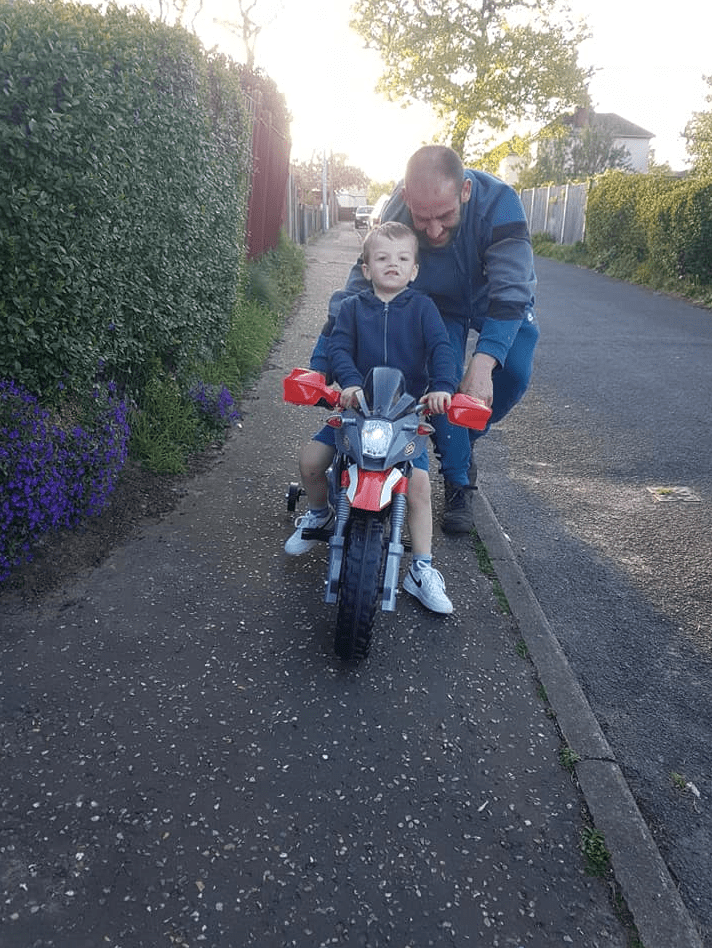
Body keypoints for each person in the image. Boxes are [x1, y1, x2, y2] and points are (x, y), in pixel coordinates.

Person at [311, 145, 539, 534]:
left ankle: (464, 439)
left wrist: (484, 363)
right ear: (405, 200)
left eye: (446, 217)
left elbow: (512, 292)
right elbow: (359, 285)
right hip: (439, 304)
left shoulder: (502, 204)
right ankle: (458, 481)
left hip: (497, 302)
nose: (433, 231)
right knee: (443, 380)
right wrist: (322, 357)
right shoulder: (400, 208)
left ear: (465, 191)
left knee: (512, 373)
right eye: (423, 219)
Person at [285, 221, 458, 615]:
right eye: (382, 258)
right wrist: (346, 384)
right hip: (354, 412)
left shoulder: (423, 309)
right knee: (311, 461)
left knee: (418, 487)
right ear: (366, 268)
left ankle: (421, 568)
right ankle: (318, 514)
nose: (392, 264)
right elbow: (339, 348)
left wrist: (443, 386)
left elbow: (441, 349)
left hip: (404, 416)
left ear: (414, 269)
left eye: (402, 259)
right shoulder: (351, 308)